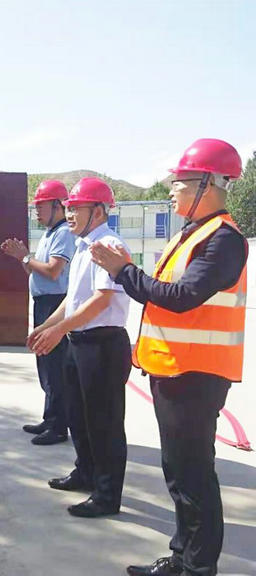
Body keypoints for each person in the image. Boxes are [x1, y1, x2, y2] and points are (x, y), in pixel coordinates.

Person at [91, 140, 248, 576]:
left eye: (180, 182)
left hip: (196, 375)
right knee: (179, 473)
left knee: (193, 476)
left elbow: (180, 298)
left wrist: (123, 271)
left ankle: (198, 567)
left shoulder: (224, 240)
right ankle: (182, 556)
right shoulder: (191, 234)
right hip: (173, 370)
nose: (172, 190)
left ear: (208, 184)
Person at [28, 177, 131, 518]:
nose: (69, 215)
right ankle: (85, 472)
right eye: (68, 209)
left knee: (104, 423)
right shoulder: (83, 246)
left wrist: (59, 331)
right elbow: (73, 299)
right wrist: (46, 326)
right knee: (79, 417)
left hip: (102, 344)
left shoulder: (109, 246)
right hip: (79, 342)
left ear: (98, 212)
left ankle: (107, 494)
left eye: (76, 209)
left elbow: (102, 300)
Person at [1, 180, 75, 445]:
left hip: (55, 303)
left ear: (57, 205)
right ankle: (50, 417)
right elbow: (34, 270)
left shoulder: (64, 233)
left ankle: (58, 426)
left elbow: (54, 271)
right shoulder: (50, 234)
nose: (37, 212)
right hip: (44, 302)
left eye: (41, 206)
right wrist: (22, 258)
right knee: (45, 362)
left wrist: (24, 257)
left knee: (55, 364)